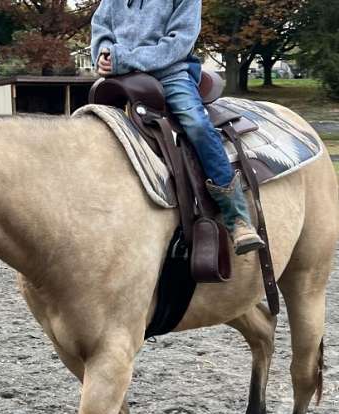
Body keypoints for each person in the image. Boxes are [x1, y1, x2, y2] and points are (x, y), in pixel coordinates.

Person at [91, 0, 265, 255]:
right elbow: (101, 26)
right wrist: (104, 54)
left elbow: (178, 43)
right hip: (121, 75)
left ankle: (237, 217)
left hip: (169, 73)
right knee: (90, 125)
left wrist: (123, 58)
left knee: (196, 125)